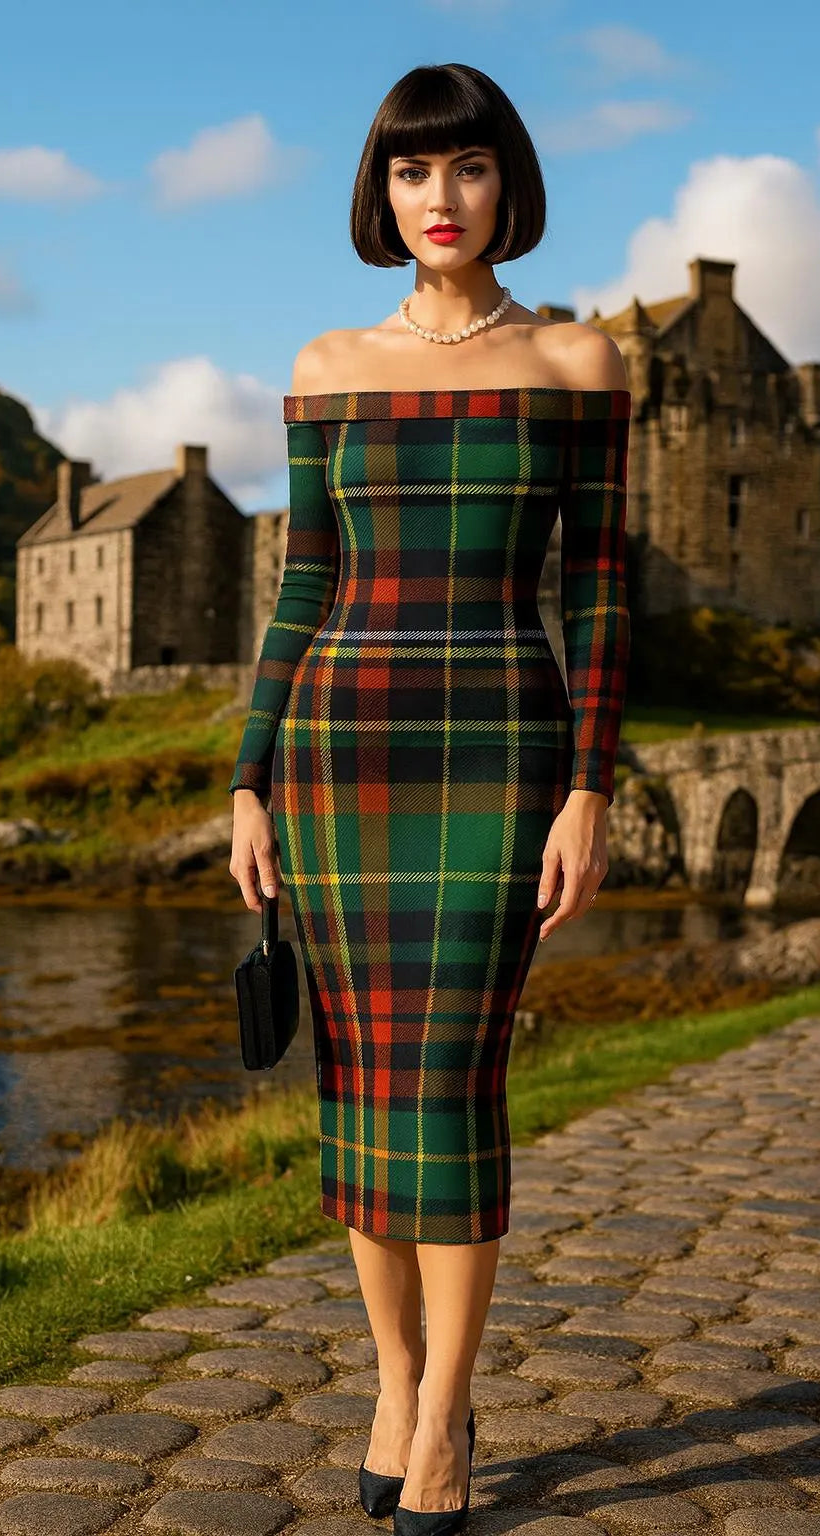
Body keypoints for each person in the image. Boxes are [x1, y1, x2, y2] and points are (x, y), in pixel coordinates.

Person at [229, 62, 630, 1535]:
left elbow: (594, 594)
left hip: (498, 752)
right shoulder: (328, 365)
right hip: (337, 752)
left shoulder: (577, 364)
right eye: (411, 173)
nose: (439, 200)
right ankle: (393, 1378)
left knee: (453, 1086)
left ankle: (450, 1409)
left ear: (506, 181)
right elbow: (306, 582)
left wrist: (589, 786)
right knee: (358, 1088)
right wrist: (250, 775)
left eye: (464, 169)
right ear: (379, 192)